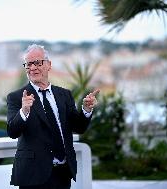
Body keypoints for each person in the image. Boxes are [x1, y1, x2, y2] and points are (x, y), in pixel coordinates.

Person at [6, 44, 99, 189]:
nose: (33, 68)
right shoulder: (17, 97)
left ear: (48, 65)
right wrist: (24, 111)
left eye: (37, 62)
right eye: (29, 64)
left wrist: (86, 109)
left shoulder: (64, 95)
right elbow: (12, 132)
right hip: (33, 175)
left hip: (63, 173)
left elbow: (79, 127)